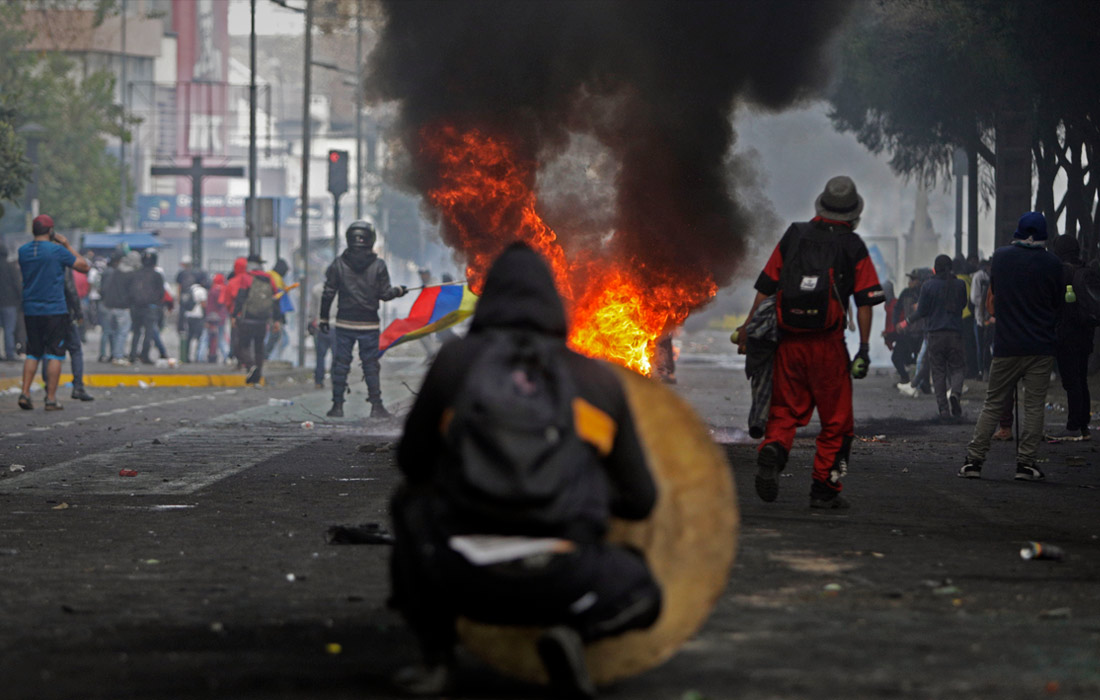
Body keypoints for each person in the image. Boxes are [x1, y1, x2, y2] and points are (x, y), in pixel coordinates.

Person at [390, 243, 660, 698]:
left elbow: (412, 463)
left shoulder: (457, 363)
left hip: (459, 573)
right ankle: (574, 633)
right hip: (563, 577)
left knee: (408, 504)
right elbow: (641, 500)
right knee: (643, 589)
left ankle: (436, 657)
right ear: (555, 304)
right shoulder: (596, 380)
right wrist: (580, 489)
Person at [736, 176, 884, 509]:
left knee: (784, 411)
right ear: (853, 213)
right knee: (837, 421)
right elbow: (865, 302)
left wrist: (748, 328)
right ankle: (823, 488)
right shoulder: (853, 245)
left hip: (788, 344)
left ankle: (773, 448)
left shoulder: (794, 235)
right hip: (828, 347)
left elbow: (767, 286)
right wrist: (862, 349)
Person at [959, 212, 1062, 481]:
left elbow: (995, 297)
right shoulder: (1053, 264)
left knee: (993, 403)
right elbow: (1058, 304)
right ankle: (1025, 465)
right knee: (1034, 406)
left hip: (1006, 344)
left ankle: (974, 461)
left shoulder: (1002, 258)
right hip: (1040, 347)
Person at [320, 220, 409, 418]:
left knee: (341, 364)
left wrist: (324, 319)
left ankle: (337, 406)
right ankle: (376, 406)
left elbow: (328, 293)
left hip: (344, 322)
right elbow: (385, 294)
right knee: (370, 365)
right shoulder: (379, 266)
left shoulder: (338, 264)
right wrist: (400, 291)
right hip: (369, 323)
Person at [16, 215, 90, 410]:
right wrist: (66, 244)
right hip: (55, 310)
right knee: (56, 354)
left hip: (31, 310)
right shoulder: (57, 251)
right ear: (51, 231)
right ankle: (50, 398)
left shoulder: (23, 252)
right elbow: (84, 266)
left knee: (33, 353)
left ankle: (25, 393)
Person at [897, 254, 967, 421]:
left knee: (938, 372)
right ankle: (956, 394)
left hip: (935, 336)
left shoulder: (928, 286)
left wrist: (905, 322)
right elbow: (963, 305)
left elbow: (921, 311)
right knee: (958, 368)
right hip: (955, 334)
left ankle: (943, 411)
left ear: (935, 269)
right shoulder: (960, 285)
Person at [1047, 233, 1094, 441]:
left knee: (1071, 381)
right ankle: (1083, 424)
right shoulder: (1085, 270)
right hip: (1085, 333)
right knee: (1081, 379)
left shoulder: (1060, 272)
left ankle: (1073, 425)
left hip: (1066, 334)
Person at [229, 254, 283, 386]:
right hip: (262, 320)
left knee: (242, 346)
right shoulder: (268, 278)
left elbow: (240, 298)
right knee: (259, 347)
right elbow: (275, 300)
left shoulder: (246, 278)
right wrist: (277, 320)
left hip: (247, 319)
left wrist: (235, 315)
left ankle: (251, 366)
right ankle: (257, 376)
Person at [41, 267, 93, 401]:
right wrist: (78, 311)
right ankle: (78, 387)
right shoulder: (62, 263)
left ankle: (49, 387)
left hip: (45, 313)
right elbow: (70, 288)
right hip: (64, 313)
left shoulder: (41, 264)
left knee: (49, 350)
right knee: (75, 349)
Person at [128, 250, 169, 364]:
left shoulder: (136, 273)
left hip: (136, 307)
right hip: (150, 307)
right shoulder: (157, 275)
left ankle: (132, 355)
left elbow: (130, 290)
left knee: (136, 332)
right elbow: (161, 292)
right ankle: (144, 355)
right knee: (148, 333)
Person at [98, 251, 133, 365]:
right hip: (115, 305)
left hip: (106, 304)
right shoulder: (116, 273)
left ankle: (106, 354)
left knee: (108, 331)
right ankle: (116, 355)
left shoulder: (108, 272)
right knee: (119, 331)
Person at [970, 258, 993, 380]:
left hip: (992, 317)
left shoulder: (991, 277)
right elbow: (975, 298)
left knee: (987, 345)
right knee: (981, 346)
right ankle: (982, 370)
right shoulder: (979, 277)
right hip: (981, 316)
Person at [0, 241, 21, 362]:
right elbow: (18, 285)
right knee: (9, 329)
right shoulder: (11, 267)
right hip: (10, 303)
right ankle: (10, 353)